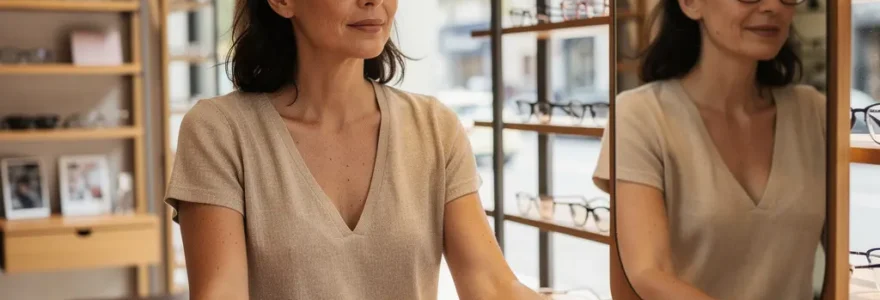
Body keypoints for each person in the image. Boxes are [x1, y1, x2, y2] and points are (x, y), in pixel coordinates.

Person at [163, 0, 543, 299]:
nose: (373, 1)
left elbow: (491, 286)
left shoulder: (434, 128)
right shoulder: (219, 131)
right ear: (281, 1)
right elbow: (221, 293)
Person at [593, 0, 826, 298]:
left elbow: (839, 256)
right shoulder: (641, 115)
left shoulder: (814, 112)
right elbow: (649, 272)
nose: (773, 6)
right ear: (691, 3)